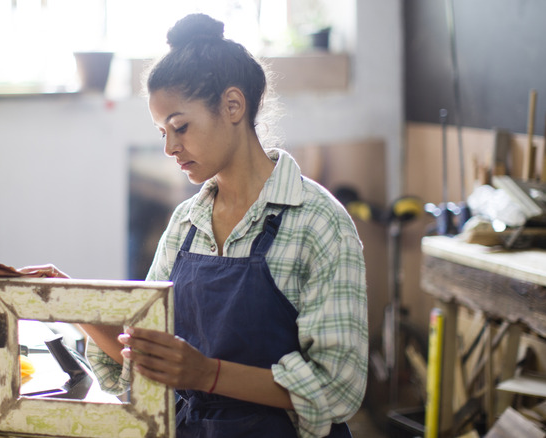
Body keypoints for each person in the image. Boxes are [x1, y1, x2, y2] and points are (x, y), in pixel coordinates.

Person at [80, 13, 368, 438]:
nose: (169, 147)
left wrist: (206, 374)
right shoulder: (186, 224)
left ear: (233, 106)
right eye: (162, 131)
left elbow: (337, 387)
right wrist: (64, 299)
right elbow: (145, 355)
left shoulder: (319, 223)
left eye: (180, 126)